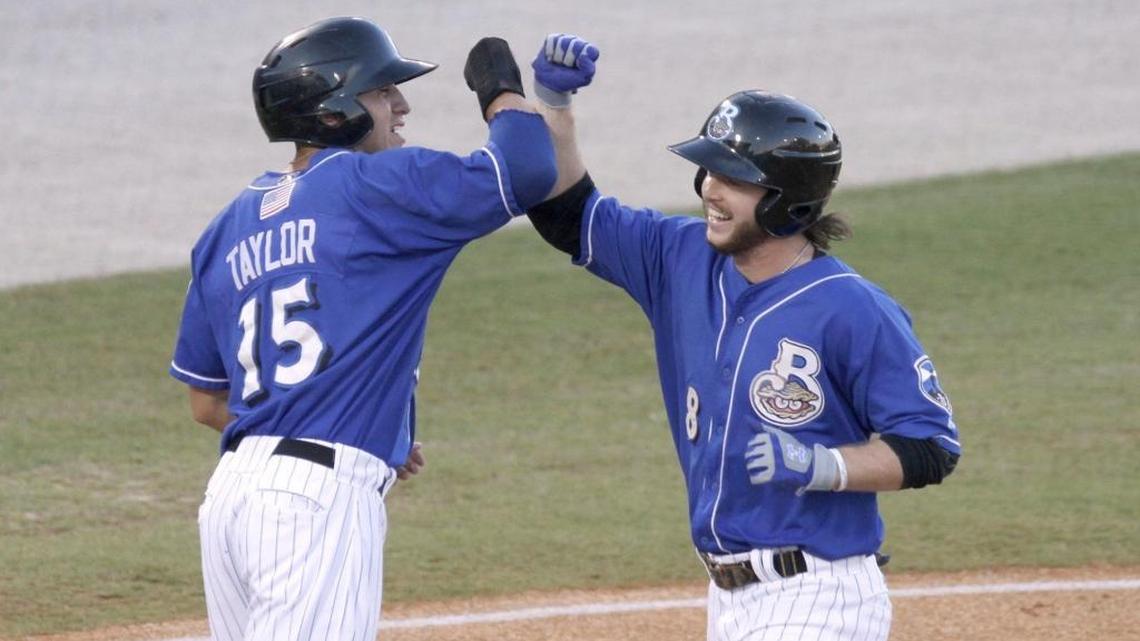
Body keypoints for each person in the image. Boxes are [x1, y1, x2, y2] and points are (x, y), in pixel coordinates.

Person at [527, 34, 961, 641]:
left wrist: (822, 466)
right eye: (709, 170)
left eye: (734, 178)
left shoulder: (851, 309)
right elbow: (568, 216)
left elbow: (931, 447)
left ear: (788, 203)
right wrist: (553, 105)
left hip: (819, 596)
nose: (709, 188)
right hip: (727, 601)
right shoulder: (677, 257)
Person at [167, 17, 555, 641]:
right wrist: (499, 87)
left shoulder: (225, 228)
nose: (401, 105)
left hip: (232, 500)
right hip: (315, 502)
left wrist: (352, 417)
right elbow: (528, 169)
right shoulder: (374, 186)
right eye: (382, 92)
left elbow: (206, 399)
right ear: (333, 111)